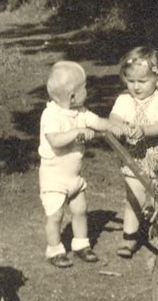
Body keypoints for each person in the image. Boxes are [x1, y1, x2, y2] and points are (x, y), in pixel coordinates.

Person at [39, 59, 119, 268]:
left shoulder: (80, 111)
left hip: (73, 177)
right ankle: (54, 249)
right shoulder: (51, 115)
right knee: (55, 215)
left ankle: (81, 244)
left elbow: (97, 122)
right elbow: (55, 140)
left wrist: (114, 126)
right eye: (85, 88)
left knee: (80, 209)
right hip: (54, 177)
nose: (88, 92)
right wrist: (77, 133)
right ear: (72, 95)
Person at [109, 46, 158, 258]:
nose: (136, 87)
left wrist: (143, 130)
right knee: (134, 195)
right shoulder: (124, 100)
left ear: (157, 79)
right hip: (135, 157)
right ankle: (130, 237)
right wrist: (118, 126)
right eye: (131, 81)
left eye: (142, 81)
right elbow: (114, 118)